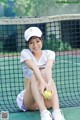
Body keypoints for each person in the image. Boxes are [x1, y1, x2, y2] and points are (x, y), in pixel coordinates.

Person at [16, 27, 65, 120]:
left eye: (37, 41)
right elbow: (34, 68)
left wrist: (49, 82)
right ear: (28, 44)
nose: (35, 45)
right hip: (30, 100)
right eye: (31, 43)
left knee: (46, 74)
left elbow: (48, 68)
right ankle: (44, 113)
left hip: (45, 97)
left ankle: (56, 112)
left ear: (42, 40)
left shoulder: (50, 53)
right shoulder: (25, 53)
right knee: (34, 75)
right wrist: (42, 82)